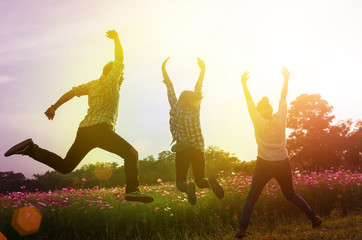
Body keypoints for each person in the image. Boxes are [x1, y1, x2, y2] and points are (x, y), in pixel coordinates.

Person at [4, 30, 154, 203]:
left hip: (85, 131)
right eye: (121, 75)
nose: (122, 78)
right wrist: (117, 39)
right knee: (132, 154)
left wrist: (54, 107)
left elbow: (73, 92)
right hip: (101, 129)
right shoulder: (111, 81)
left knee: (66, 166)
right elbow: (119, 59)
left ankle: (30, 149)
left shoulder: (92, 85)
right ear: (113, 73)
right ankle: (132, 190)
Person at [235, 67, 322, 239]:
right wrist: (286, 79)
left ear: (260, 111)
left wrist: (243, 84)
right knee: (290, 194)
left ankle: (242, 230)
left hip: (264, 164)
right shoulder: (280, 118)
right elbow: (283, 97)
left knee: (252, 198)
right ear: (270, 109)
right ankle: (314, 217)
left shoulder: (257, 119)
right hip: (283, 162)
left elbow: (248, 100)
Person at [161, 57, 224, 205]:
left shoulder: (176, 108)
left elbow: (170, 88)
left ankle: (188, 187)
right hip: (198, 149)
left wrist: (163, 70)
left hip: (183, 149)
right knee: (201, 180)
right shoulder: (196, 109)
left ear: (181, 99)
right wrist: (202, 71)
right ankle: (210, 183)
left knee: (180, 182)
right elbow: (198, 87)